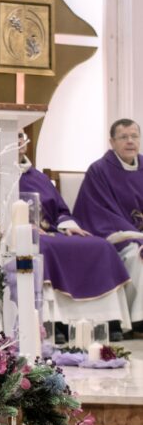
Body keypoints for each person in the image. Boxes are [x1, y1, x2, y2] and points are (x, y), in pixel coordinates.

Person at [17, 132, 131, 342]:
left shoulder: (39, 177)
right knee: (46, 247)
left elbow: (61, 210)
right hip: (25, 235)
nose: (18, 141)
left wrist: (68, 225)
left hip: (53, 231)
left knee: (100, 246)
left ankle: (108, 320)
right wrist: (23, 225)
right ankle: (56, 323)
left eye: (20, 136)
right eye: (13, 136)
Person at [74, 119, 143, 332]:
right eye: (124, 137)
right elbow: (98, 211)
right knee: (136, 255)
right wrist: (136, 236)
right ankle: (137, 319)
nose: (130, 141)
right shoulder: (99, 170)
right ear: (112, 142)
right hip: (115, 235)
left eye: (134, 136)